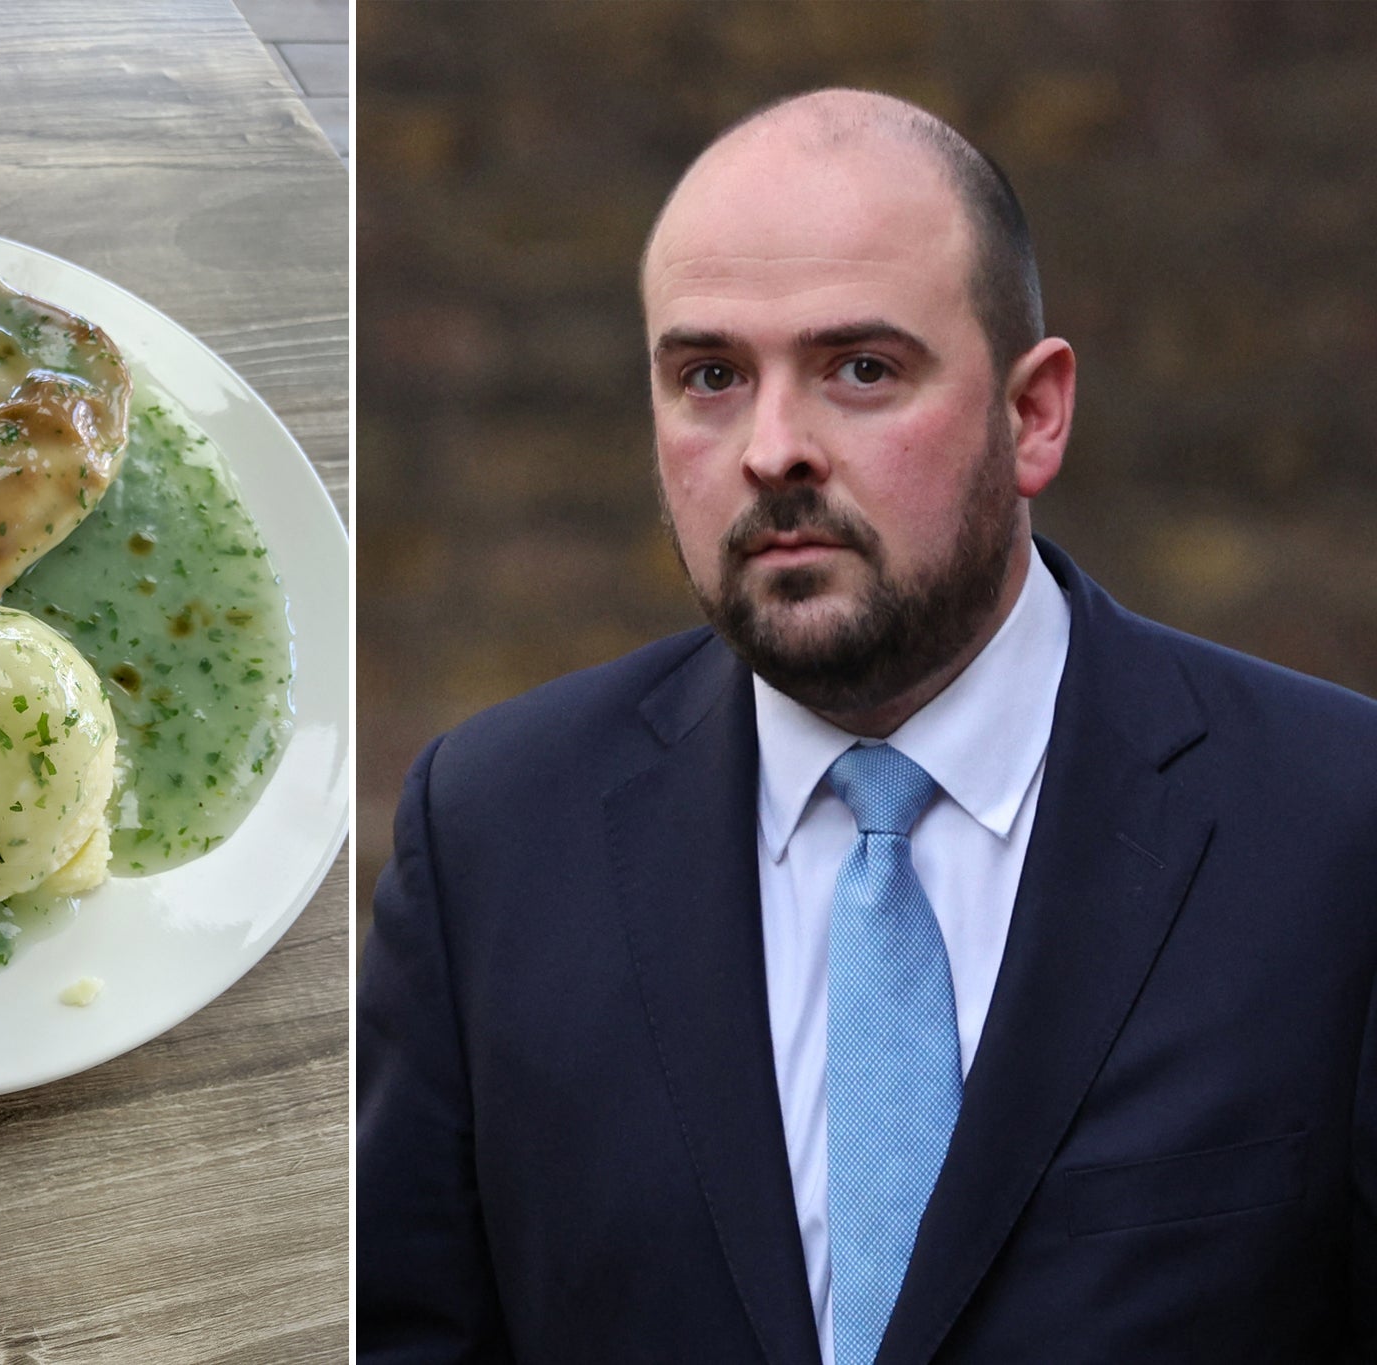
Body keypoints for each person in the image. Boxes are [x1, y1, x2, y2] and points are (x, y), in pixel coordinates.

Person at [356, 88, 1377, 1364]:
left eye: (859, 370)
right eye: (710, 377)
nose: (772, 449)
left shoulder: (1336, 829)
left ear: (1032, 414)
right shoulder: (492, 835)